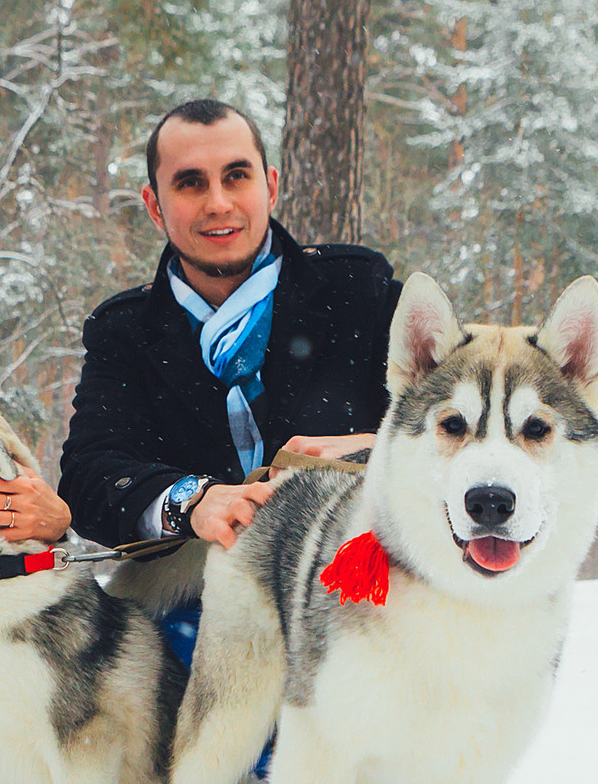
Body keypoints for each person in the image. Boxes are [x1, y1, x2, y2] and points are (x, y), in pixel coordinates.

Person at [53, 97, 401, 554]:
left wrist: (370, 450)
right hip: (186, 606)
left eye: (236, 176)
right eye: (190, 183)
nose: (218, 203)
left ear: (271, 187)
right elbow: (88, 476)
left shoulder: (359, 291)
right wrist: (193, 500)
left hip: (354, 592)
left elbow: (461, 428)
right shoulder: (124, 332)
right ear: (155, 206)